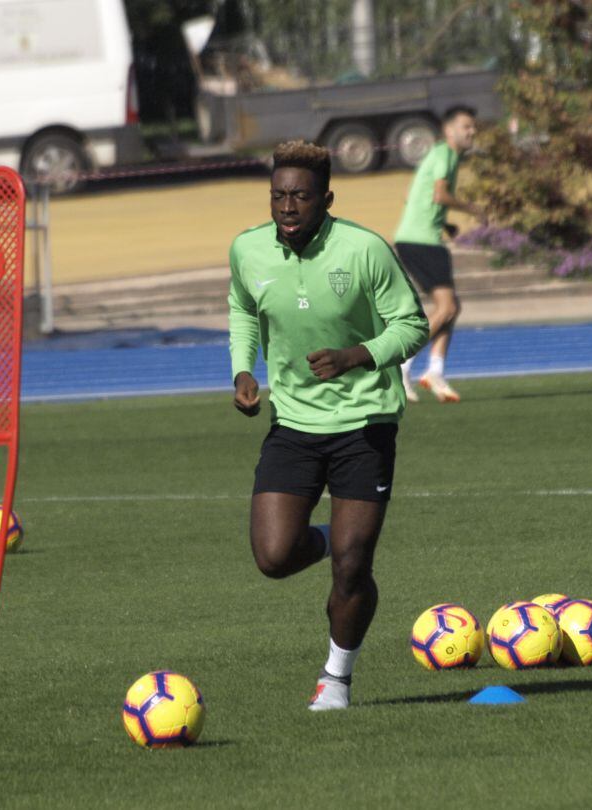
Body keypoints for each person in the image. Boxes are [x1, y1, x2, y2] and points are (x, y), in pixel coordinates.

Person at [229, 140, 428, 711]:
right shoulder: (248, 250)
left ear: (326, 199)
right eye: (278, 195)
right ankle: (324, 540)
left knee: (353, 565)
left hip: (364, 424)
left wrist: (357, 356)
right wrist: (244, 368)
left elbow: (412, 325)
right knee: (273, 556)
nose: (287, 206)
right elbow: (243, 307)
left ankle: (335, 678)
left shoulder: (364, 250)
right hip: (292, 422)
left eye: (300, 196)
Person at [394, 105, 484, 403]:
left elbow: (412, 195)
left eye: (473, 126)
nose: (472, 131)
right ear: (449, 130)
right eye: (466, 126)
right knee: (445, 308)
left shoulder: (437, 156)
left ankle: (435, 371)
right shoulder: (445, 154)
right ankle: (401, 366)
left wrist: (444, 223)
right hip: (421, 241)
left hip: (421, 238)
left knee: (451, 307)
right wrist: (473, 209)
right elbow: (439, 195)